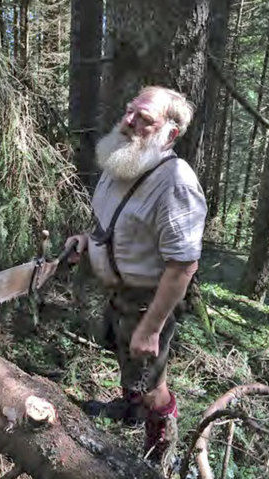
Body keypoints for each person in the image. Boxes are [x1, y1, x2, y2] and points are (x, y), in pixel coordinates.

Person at [66, 86, 207, 464]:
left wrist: (151, 327)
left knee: (152, 383)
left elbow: (183, 265)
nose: (129, 121)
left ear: (170, 133)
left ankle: (159, 450)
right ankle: (131, 406)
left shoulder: (175, 182)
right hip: (119, 294)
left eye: (144, 118)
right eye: (130, 111)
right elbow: (111, 223)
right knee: (128, 363)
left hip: (148, 301)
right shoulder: (124, 160)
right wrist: (86, 240)